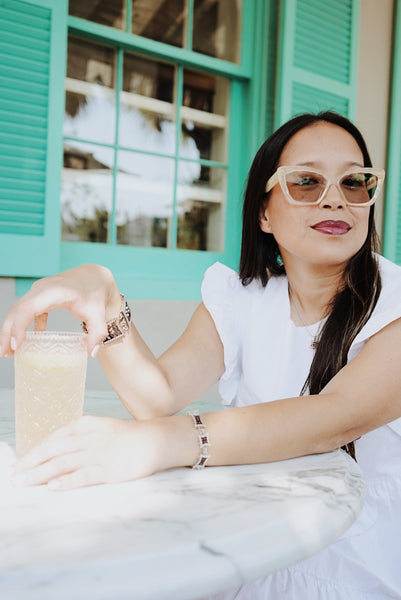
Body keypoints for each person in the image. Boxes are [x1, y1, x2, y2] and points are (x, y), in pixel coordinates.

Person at [1, 111, 401, 598]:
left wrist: (152, 444)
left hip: (354, 564)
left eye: (355, 182)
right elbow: (158, 395)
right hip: (250, 551)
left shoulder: (394, 305)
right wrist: (105, 303)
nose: (335, 197)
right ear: (264, 213)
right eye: (306, 181)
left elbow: (334, 416)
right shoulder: (241, 299)